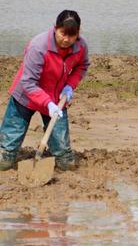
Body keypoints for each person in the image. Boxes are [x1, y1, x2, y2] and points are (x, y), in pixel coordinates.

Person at [0, 10, 89, 171]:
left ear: (78, 33)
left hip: (56, 98)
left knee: (65, 162)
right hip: (26, 96)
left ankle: (59, 156)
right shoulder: (38, 47)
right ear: (55, 28)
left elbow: (82, 66)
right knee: (4, 158)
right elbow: (28, 82)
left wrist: (70, 85)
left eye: (72, 35)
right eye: (63, 33)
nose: (67, 39)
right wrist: (47, 103)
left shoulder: (80, 46)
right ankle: (6, 154)